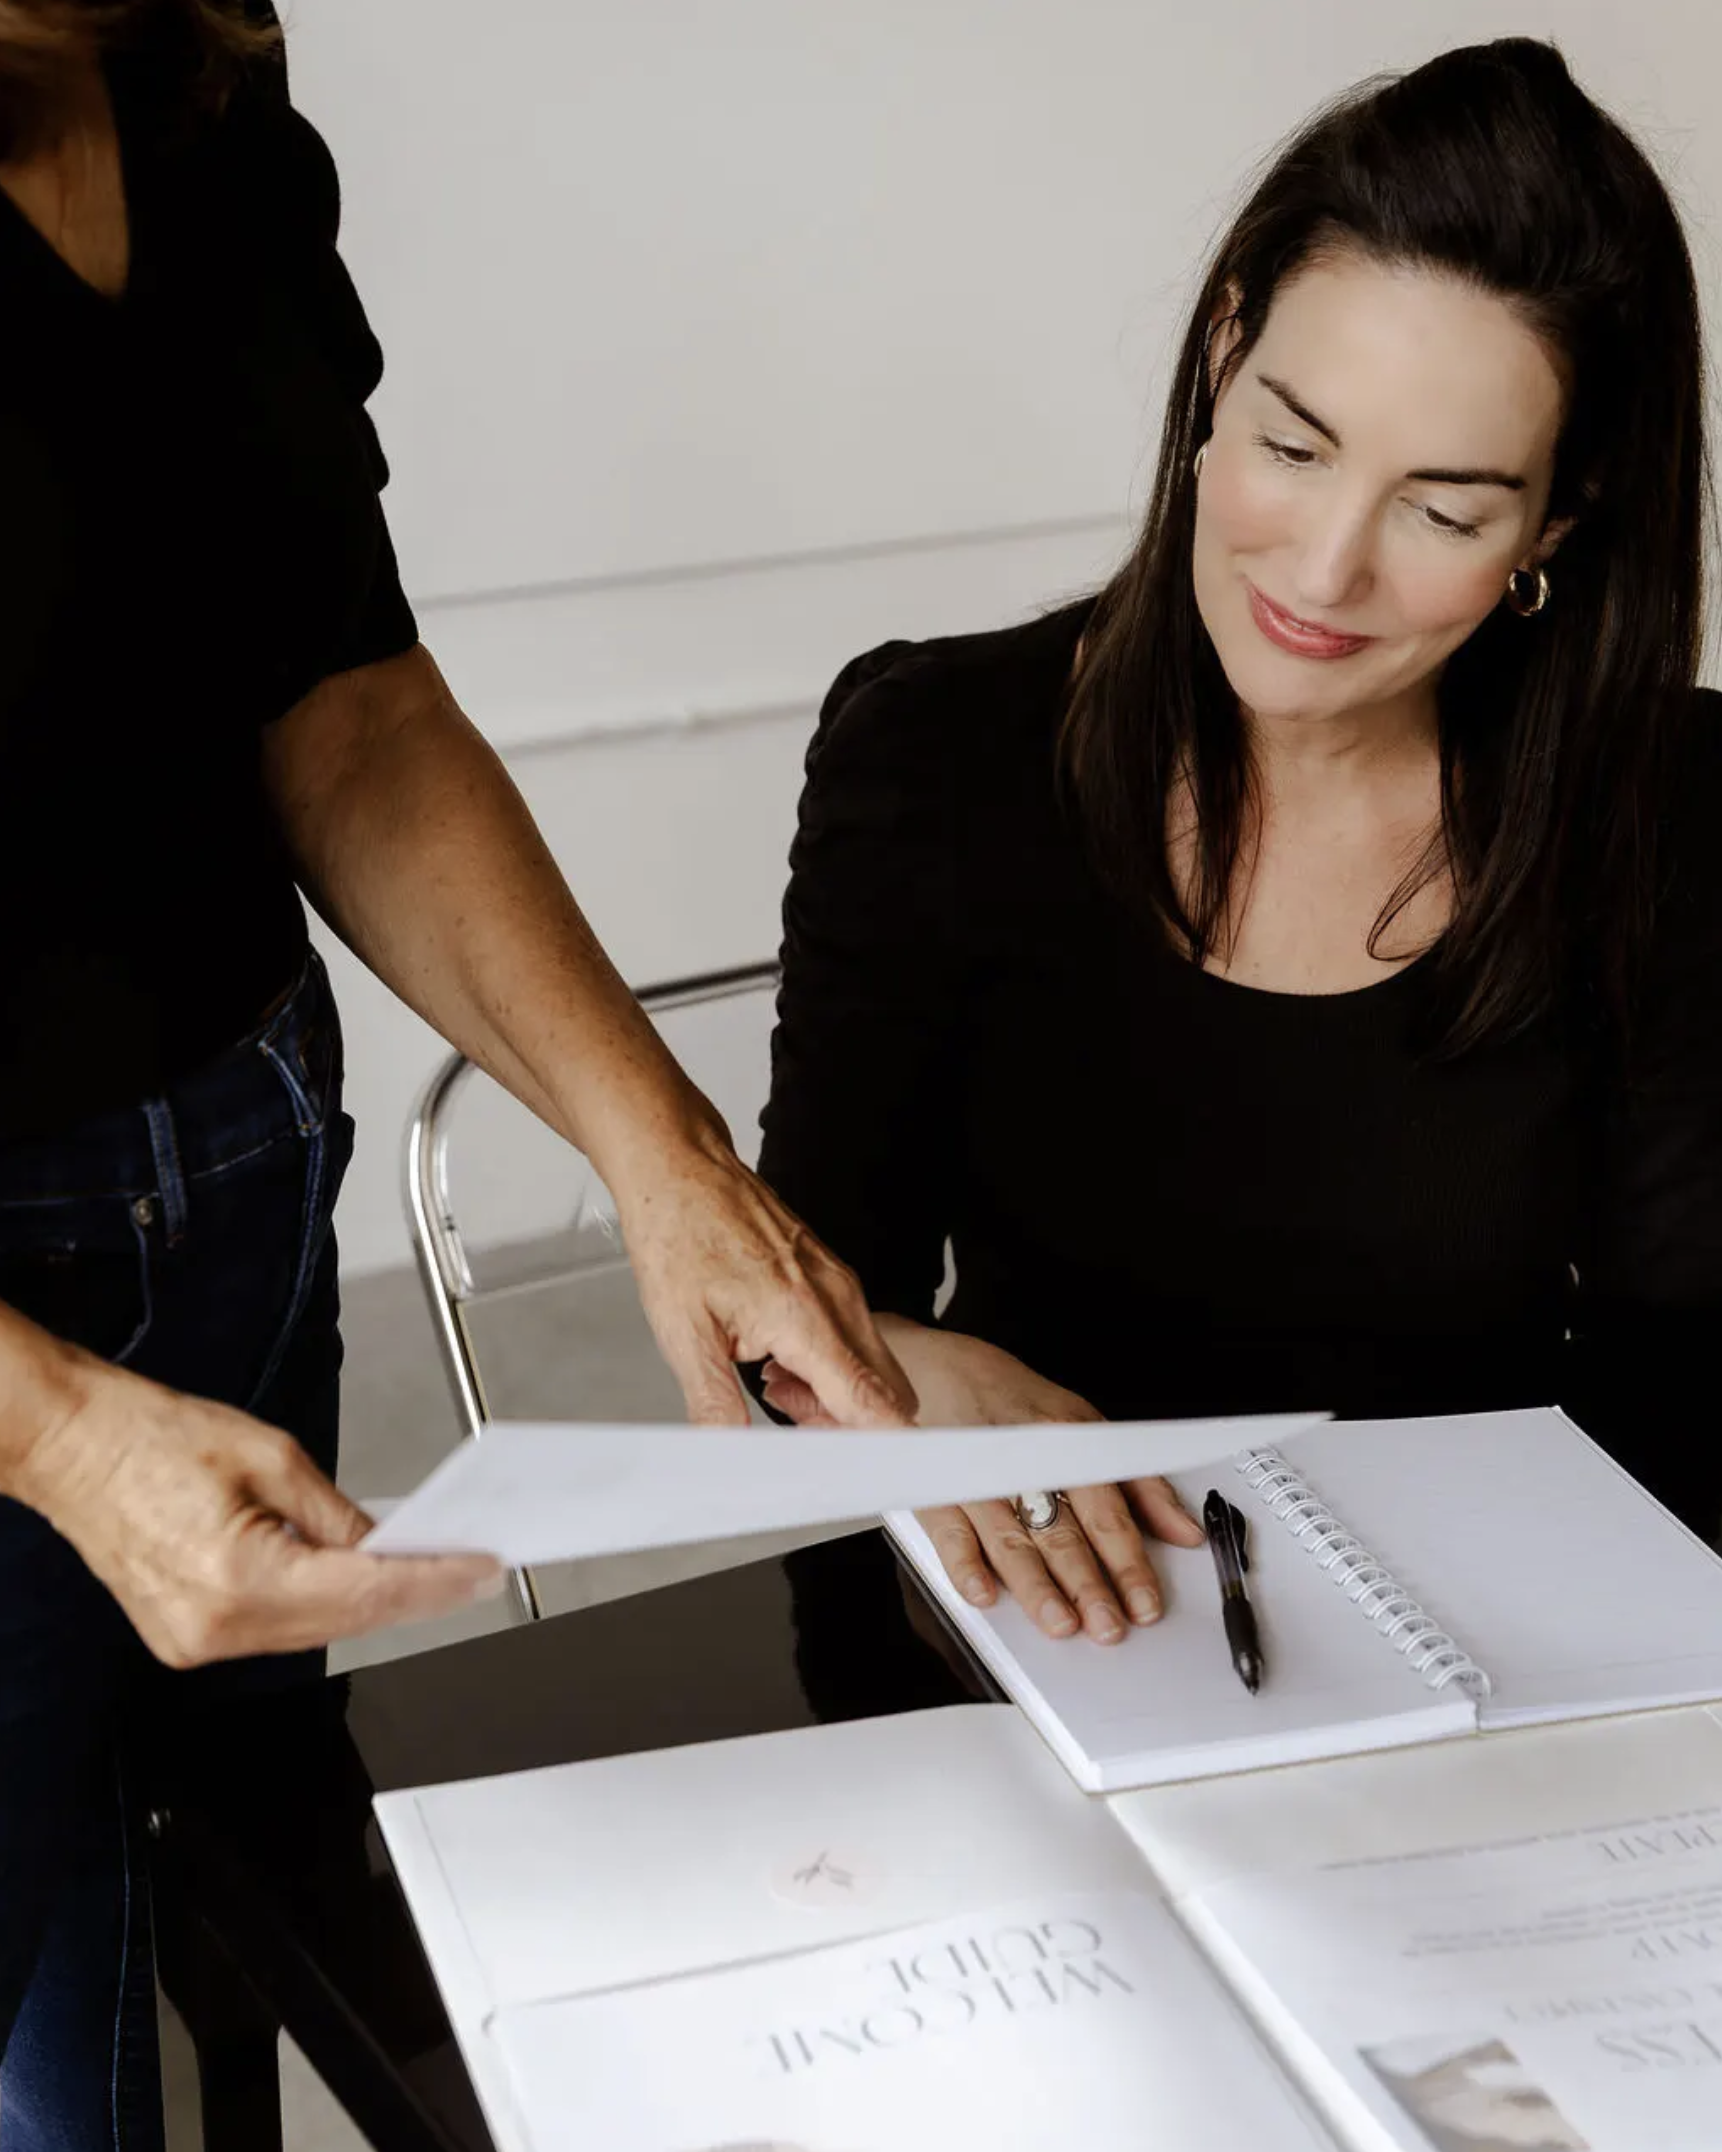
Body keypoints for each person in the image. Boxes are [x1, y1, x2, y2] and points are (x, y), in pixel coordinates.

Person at [0, 2, 911, 2141]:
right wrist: (53, 1435)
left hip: (239, 1187)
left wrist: (661, 1151)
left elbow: (346, 702)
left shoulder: (194, 88)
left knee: (214, 1905)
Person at [757, 39, 1722, 1653]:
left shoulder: (1669, 807)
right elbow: (792, 1316)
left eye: (1446, 508)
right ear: (1222, 353)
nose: (1323, 570)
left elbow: (1680, 1397)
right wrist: (895, 1369)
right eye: (1292, 443)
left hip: (1497, 1646)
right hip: (1033, 1631)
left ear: (1559, 521)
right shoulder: (934, 756)